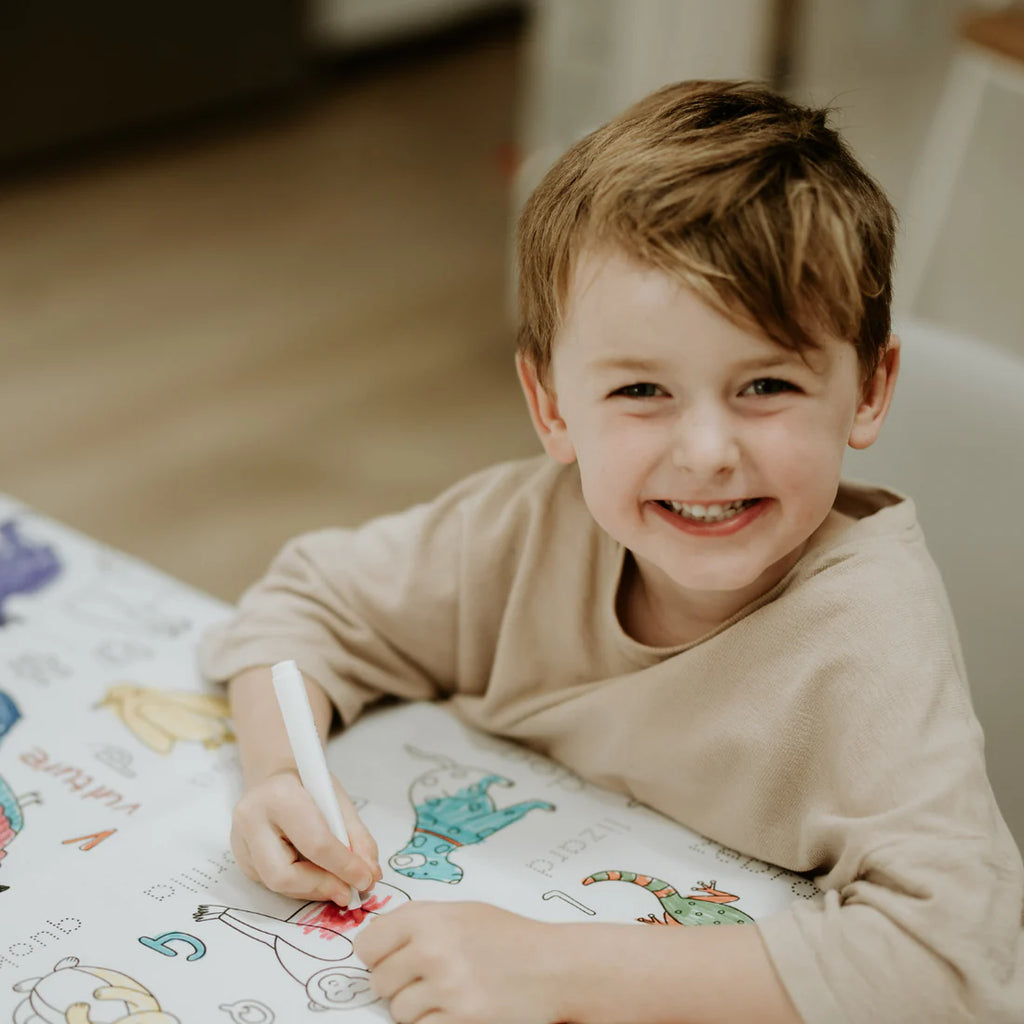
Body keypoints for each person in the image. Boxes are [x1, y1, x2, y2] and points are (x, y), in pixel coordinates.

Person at [199, 79, 1024, 1024]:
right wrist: (279, 777)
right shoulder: (528, 528)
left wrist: (556, 971)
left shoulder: (871, 640)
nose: (708, 452)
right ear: (552, 405)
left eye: (766, 384)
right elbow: (307, 604)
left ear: (869, 390)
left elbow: (961, 964)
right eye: (641, 391)